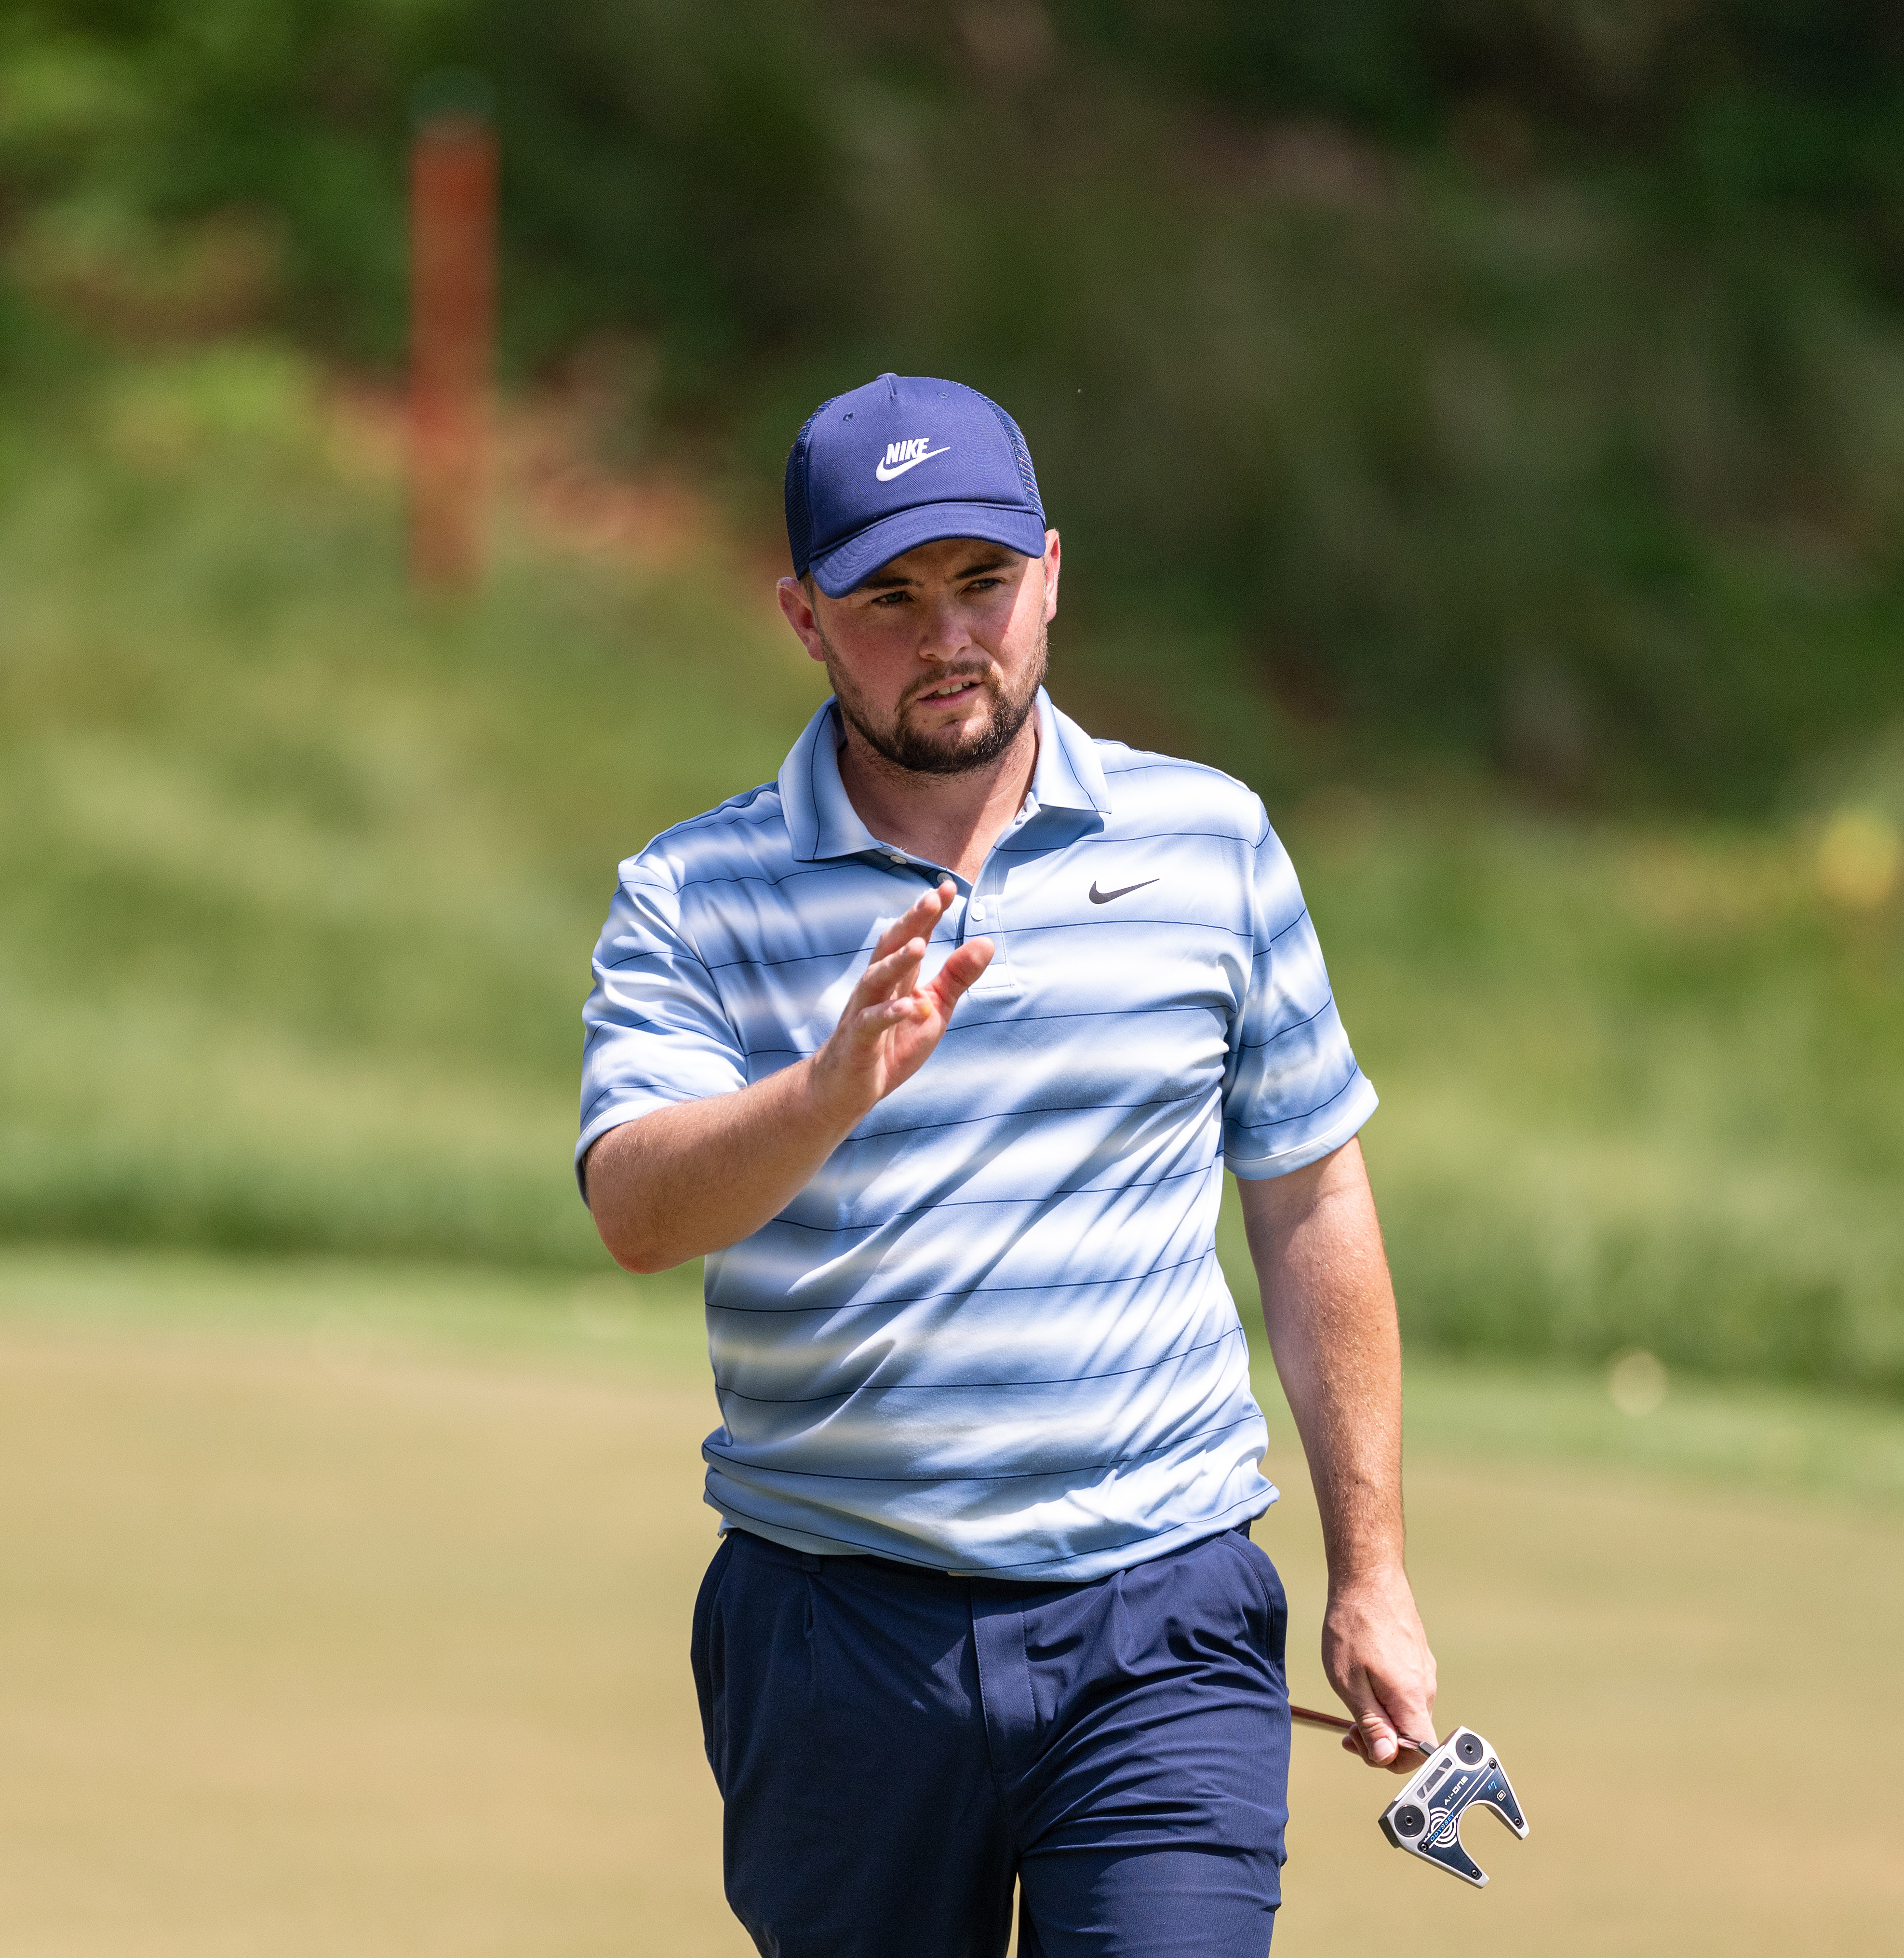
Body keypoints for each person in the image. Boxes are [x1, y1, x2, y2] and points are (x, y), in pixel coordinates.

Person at [576, 372, 1436, 1958]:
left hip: (1162, 1615)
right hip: (837, 1630)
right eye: (887, 598)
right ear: (803, 616)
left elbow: (1310, 1198)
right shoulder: (693, 894)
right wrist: (823, 1092)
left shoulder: (1211, 844)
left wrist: (1367, 1575)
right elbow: (636, 1207)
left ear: (1051, 572)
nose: (946, 636)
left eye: (980, 583)